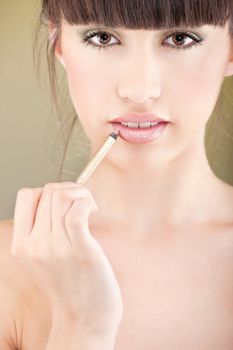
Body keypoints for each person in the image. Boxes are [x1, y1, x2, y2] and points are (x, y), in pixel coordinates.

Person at [1, 0, 233, 349]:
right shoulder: (9, 267)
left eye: (181, 39)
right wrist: (81, 326)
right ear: (58, 41)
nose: (139, 91)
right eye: (103, 38)